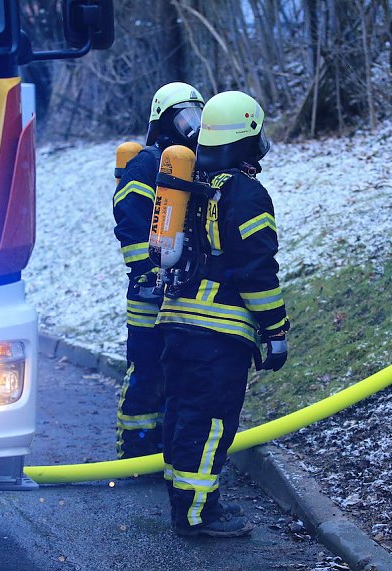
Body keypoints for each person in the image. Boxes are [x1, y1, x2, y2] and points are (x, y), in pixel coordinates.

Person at [156, 91, 290, 537]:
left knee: (181, 414)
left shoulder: (192, 183)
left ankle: (186, 502)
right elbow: (256, 272)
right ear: (247, 137)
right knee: (210, 421)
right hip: (217, 332)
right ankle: (198, 515)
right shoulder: (245, 194)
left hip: (176, 321)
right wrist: (276, 330)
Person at [112, 82, 205, 460]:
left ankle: (169, 445)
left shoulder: (199, 165)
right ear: (163, 121)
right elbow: (129, 219)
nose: (192, 125)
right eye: (184, 116)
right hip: (149, 292)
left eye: (198, 115)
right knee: (147, 370)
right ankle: (135, 450)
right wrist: (148, 270)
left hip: (186, 289)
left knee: (180, 371)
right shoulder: (146, 164)